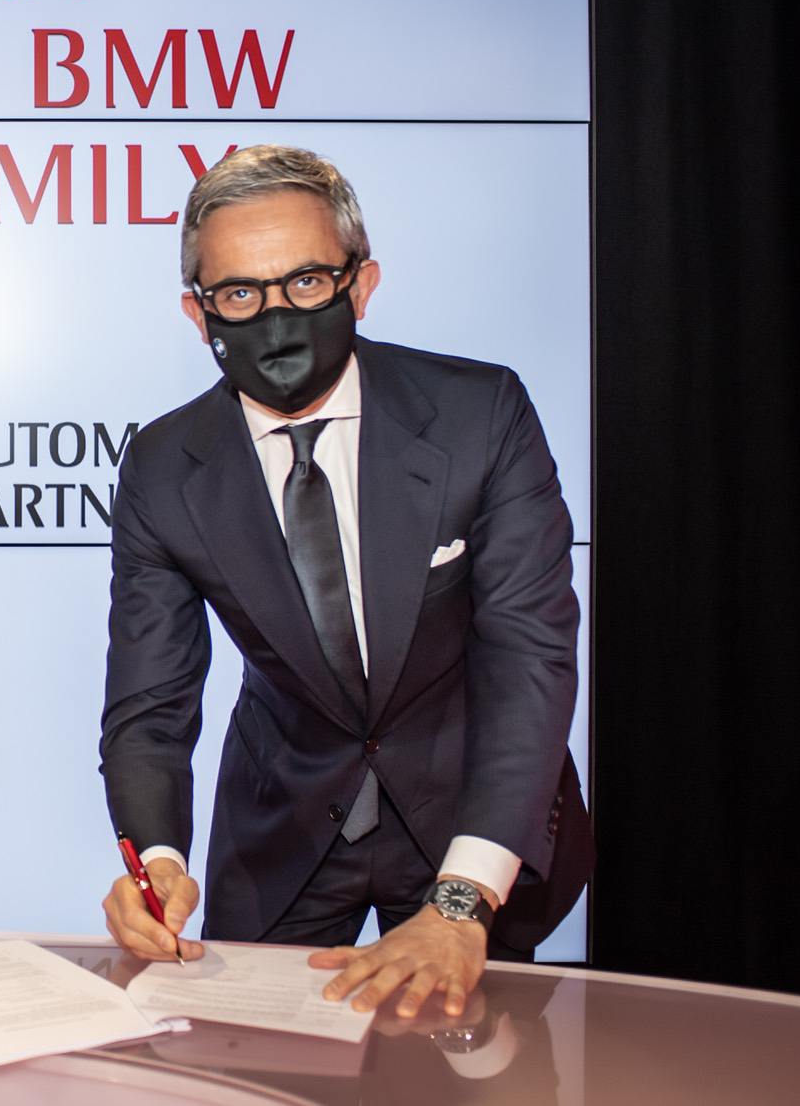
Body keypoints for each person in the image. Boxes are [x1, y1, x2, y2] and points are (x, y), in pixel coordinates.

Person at [98, 145, 591, 1018]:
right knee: (254, 1070)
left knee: (475, 1064)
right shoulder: (162, 467)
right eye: (239, 294)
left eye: (306, 282)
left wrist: (462, 898)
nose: (275, 317)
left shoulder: (481, 416)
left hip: (472, 823)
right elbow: (150, 702)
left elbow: (529, 659)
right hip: (280, 828)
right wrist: (156, 862)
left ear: (361, 285)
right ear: (197, 312)